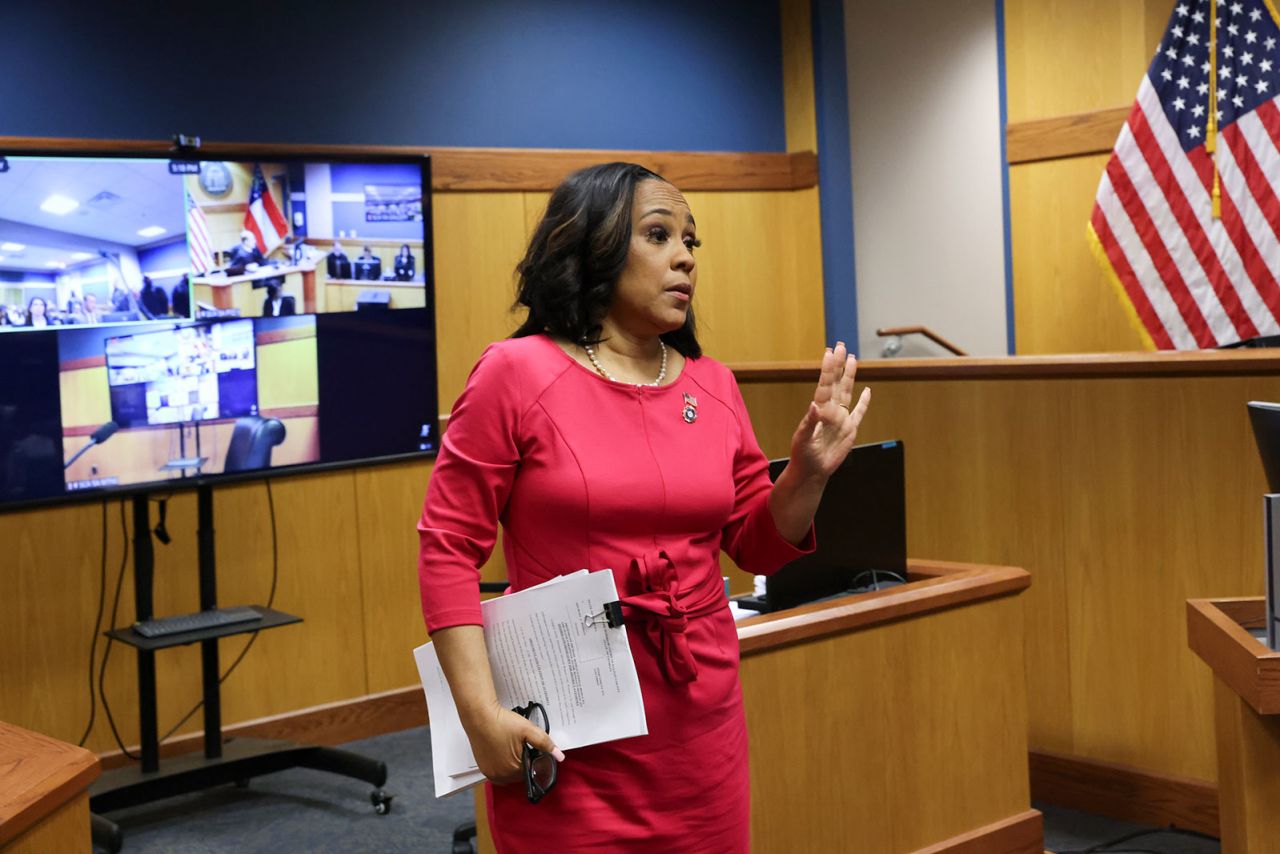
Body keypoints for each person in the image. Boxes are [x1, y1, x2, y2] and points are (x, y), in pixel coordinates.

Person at [418, 162, 872, 852]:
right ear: (592, 246)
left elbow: (754, 544)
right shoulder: (515, 374)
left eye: (691, 241)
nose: (685, 256)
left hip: (700, 733)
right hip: (572, 734)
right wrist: (479, 713)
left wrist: (807, 474)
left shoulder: (712, 384)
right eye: (659, 235)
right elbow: (447, 549)